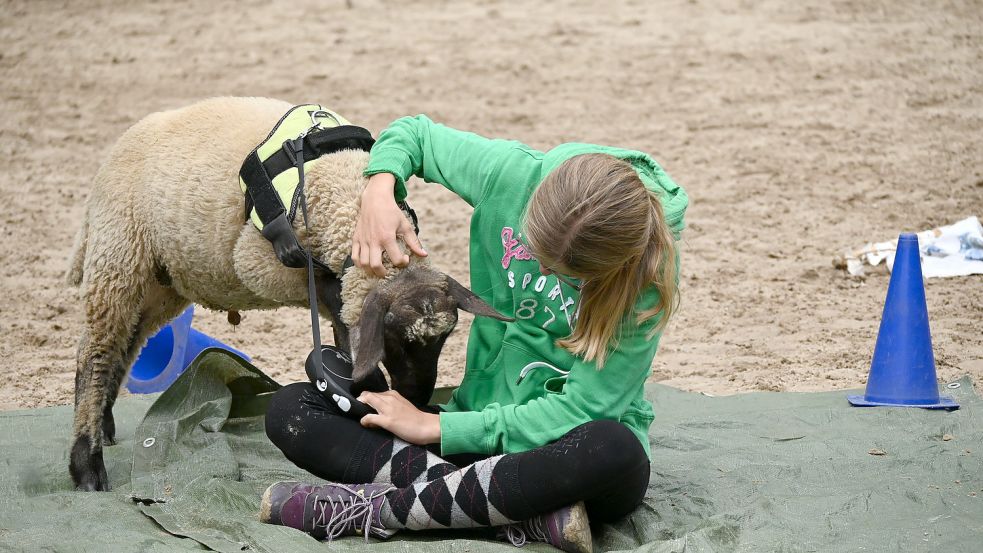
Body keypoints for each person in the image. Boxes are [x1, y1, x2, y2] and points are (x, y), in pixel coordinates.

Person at [260, 116, 688, 553]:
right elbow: (414, 134)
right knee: (293, 410)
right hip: (490, 449)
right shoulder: (511, 174)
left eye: (567, 275)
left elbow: (582, 408)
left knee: (613, 449)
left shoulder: (647, 276)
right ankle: (519, 514)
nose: (539, 271)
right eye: (535, 252)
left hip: (558, 455)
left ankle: (378, 512)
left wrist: (439, 427)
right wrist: (379, 189)